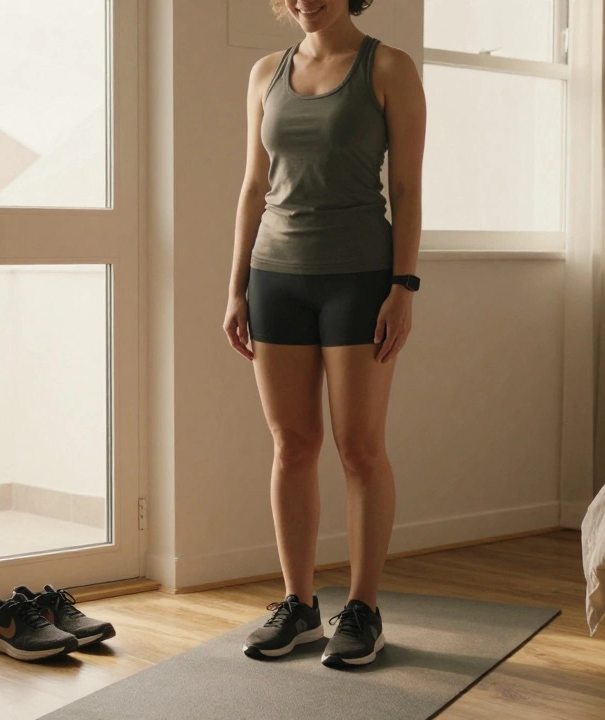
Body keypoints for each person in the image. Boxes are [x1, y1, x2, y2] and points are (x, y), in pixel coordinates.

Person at [222, 0, 426, 668]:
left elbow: (406, 185)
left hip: (360, 278)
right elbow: (254, 187)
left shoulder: (388, 68)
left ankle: (363, 609)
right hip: (274, 278)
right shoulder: (264, 74)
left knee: (360, 447)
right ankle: (300, 604)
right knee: (292, 445)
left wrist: (404, 286)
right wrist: (235, 288)